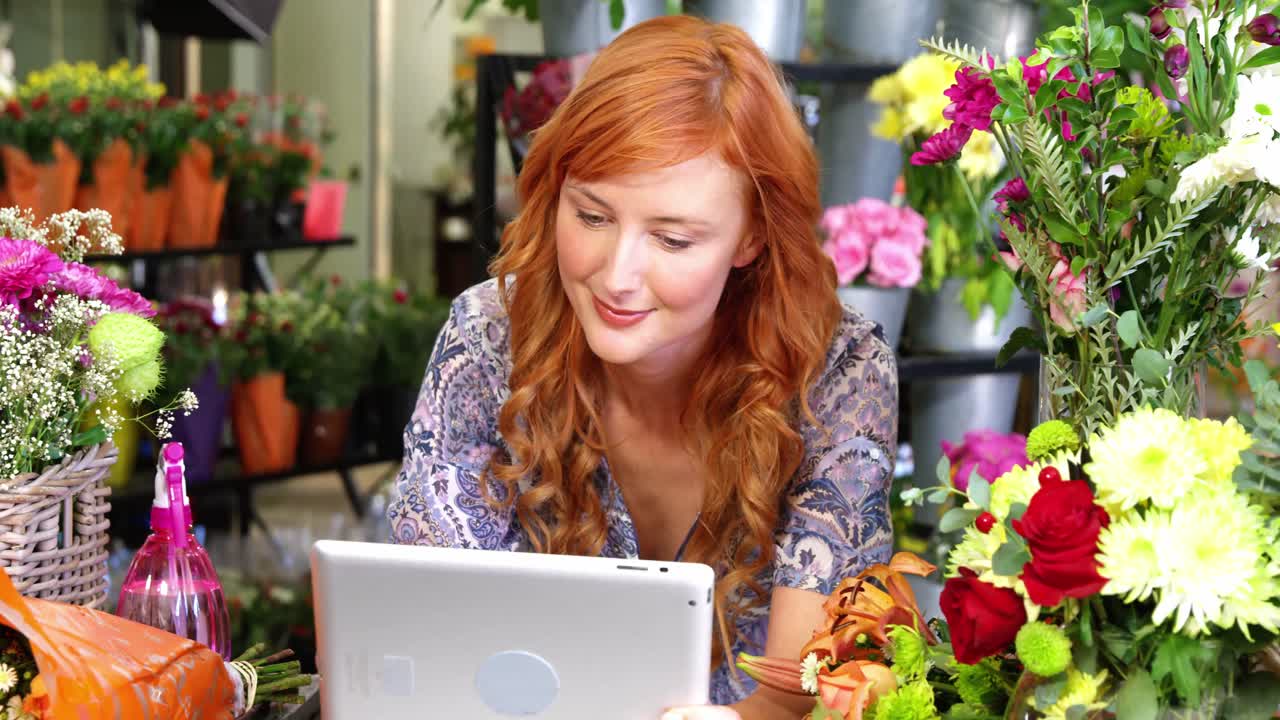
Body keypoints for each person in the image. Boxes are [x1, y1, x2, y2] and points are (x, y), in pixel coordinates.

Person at [387, 14, 897, 720]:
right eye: (592, 216)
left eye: (673, 239)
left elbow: (801, 692)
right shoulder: (488, 338)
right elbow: (434, 626)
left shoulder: (837, 370)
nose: (617, 276)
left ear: (750, 237)